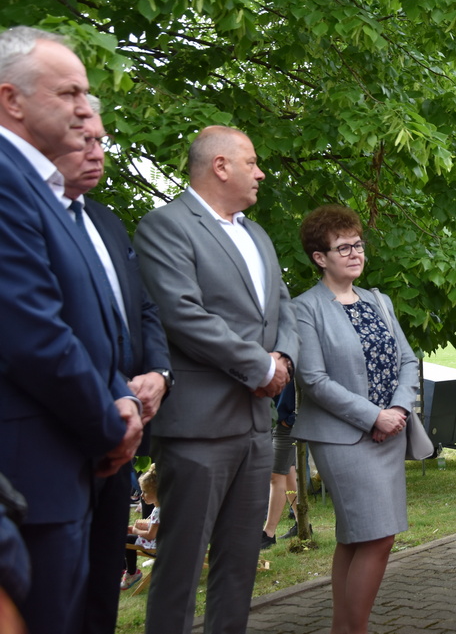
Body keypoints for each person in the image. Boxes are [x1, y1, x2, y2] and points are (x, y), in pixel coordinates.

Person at [0, 26, 143, 634]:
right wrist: (112, 423)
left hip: (71, 463)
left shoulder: (44, 191)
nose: (87, 109)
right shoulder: (8, 182)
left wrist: (121, 390)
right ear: (12, 100)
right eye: (70, 93)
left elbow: (94, 323)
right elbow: (33, 332)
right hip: (34, 470)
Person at [133, 125, 300, 633]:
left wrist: (283, 360)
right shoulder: (166, 226)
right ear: (220, 166)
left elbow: (283, 308)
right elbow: (182, 314)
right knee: (181, 568)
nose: (261, 172)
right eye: (252, 162)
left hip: (254, 423)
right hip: (198, 427)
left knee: (239, 565)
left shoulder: (257, 234)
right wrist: (260, 367)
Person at [52, 96, 173, 634]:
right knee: (55, 592)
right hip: (57, 434)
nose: (98, 154)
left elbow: (143, 308)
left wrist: (159, 376)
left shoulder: (105, 220)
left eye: (103, 142)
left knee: (103, 582)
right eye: (86, 142)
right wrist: (114, 398)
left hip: (122, 434)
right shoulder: (30, 216)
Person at [292, 204, 418, 634]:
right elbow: (312, 379)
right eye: (342, 247)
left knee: (356, 536)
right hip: (344, 439)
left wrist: (398, 410)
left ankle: (343, 629)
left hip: (391, 432)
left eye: (358, 244)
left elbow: (407, 360)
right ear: (319, 257)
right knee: (379, 537)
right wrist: (373, 418)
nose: (354, 253)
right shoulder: (304, 308)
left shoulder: (378, 301)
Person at [261, 381, 302, 549]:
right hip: (280, 420)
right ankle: (303, 524)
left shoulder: (292, 359)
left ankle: (268, 534)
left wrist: (288, 419)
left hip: (285, 423)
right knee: (288, 474)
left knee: (276, 476)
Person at [122, 464, 161, 590]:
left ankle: (132, 572)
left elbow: (151, 535)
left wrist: (135, 530)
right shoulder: (166, 506)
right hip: (171, 544)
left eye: (145, 492)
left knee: (127, 539)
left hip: (159, 547)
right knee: (129, 536)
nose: (142, 495)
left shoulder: (158, 511)